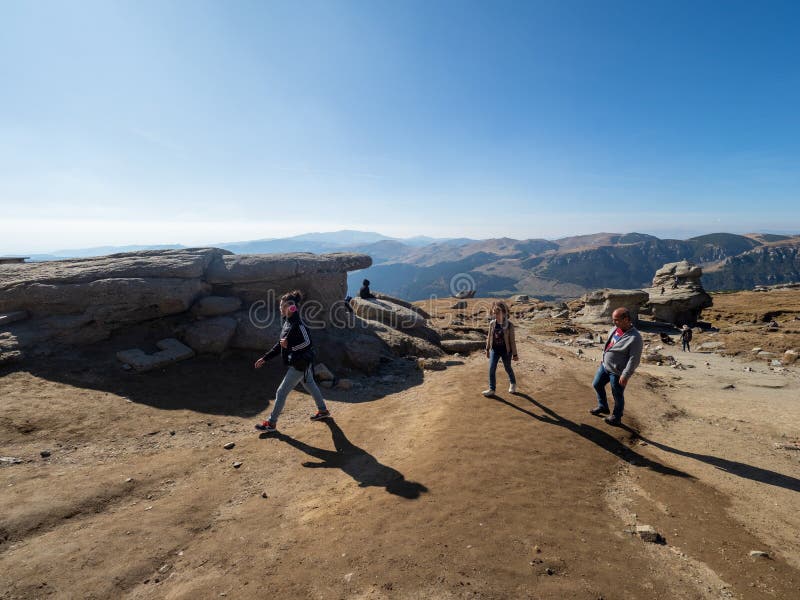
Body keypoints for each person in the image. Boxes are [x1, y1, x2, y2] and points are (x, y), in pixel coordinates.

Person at [254, 290, 330, 432]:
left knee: (281, 392)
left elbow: (308, 343)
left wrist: (291, 347)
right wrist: (265, 358)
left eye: (282, 306)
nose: (280, 308)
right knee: (311, 385)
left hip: (299, 363)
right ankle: (323, 411)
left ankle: (271, 423)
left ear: (291, 307)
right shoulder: (287, 323)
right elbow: (280, 344)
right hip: (300, 362)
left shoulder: (299, 325)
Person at [589, 307, 643, 426]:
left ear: (627, 319)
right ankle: (603, 406)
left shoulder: (635, 338)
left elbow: (634, 359)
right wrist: (603, 358)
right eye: (613, 319)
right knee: (597, 384)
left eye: (616, 320)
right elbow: (609, 345)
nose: (614, 322)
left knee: (617, 394)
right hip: (605, 366)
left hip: (617, 372)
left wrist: (626, 375)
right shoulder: (615, 329)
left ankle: (617, 417)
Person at [482, 301, 518, 396]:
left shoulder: (509, 325)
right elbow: (489, 337)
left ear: (504, 313)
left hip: (506, 351)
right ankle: (492, 389)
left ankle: (513, 383)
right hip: (495, 350)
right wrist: (487, 349)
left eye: (498, 312)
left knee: (507, 368)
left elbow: (512, 341)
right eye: (494, 312)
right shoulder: (492, 324)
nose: (495, 315)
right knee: (491, 368)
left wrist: (515, 354)